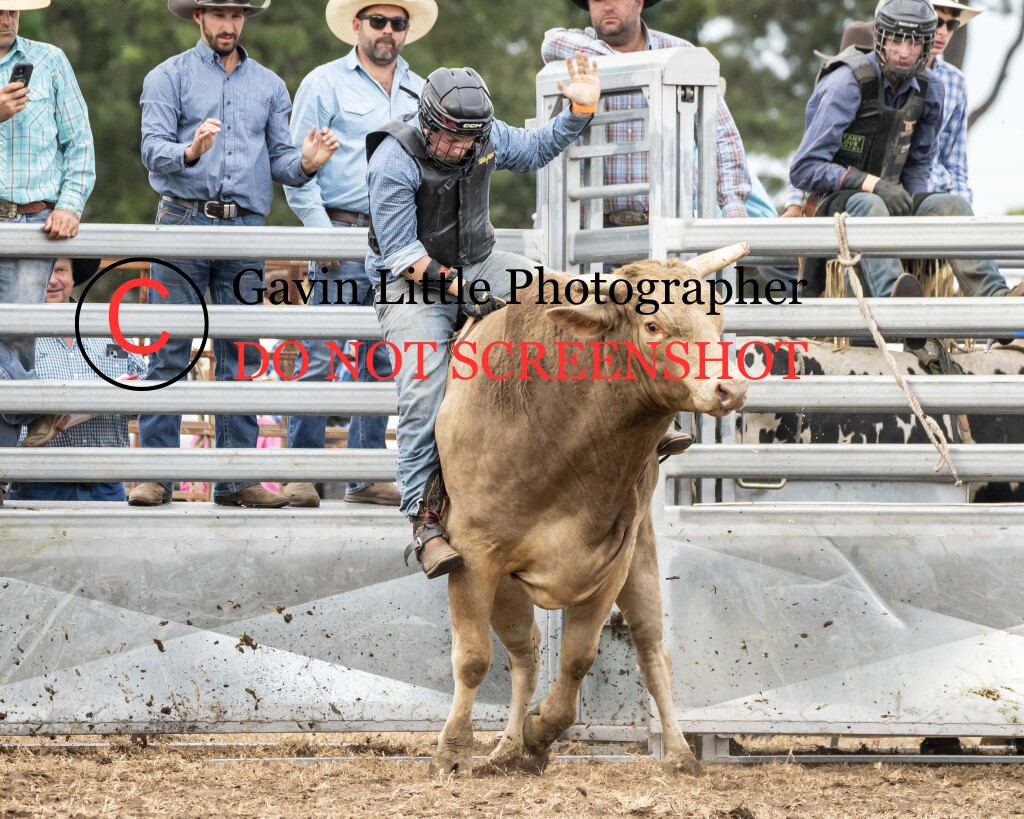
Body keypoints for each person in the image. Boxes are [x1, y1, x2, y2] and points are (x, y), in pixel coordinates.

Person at [366, 55, 601, 578]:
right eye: (448, 136)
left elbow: (536, 149)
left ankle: (624, 413)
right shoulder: (393, 160)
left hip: (477, 260)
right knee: (423, 386)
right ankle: (424, 520)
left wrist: (579, 110)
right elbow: (402, 256)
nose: (458, 147)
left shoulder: (485, 136)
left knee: (572, 298)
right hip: (409, 282)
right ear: (427, 121)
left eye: (468, 139)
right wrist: (462, 288)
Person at [131, 0, 339, 508]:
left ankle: (236, 479)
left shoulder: (270, 85)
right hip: (181, 218)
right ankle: (156, 476)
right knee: (168, 348)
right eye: (220, 14)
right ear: (198, 16)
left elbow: (281, 160)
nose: (229, 25)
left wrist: (307, 164)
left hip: (245, 226)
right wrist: (190, 151)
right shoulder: (167, 77)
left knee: (240, 353)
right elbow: (151, 149)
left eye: (237, 14)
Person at [281, 0, 438, 509]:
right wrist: (322, 234)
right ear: (357, 26)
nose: (387, 31)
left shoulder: (423, 92)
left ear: (406, 30)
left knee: (381, 358)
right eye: (377, 21)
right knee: (320, 354)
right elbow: (297, 167)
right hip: (341, 232)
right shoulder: (323, 82)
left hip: (399, 241)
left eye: (397, 23)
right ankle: (301, 473)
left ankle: (365, 475)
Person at [788, 0, 1022, 322]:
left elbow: (918, 164)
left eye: (913, 43)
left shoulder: (931, 89)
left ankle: (997, 302)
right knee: (871, 204)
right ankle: (897, 307)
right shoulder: (846, 84)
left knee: (952, 205)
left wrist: (912, 213)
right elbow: (804, 168)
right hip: (838, 204)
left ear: (927, 46)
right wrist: (872, 184)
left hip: (892, 197)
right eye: (896, 40)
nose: (903, 52)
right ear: (880, 38)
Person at [0, 0, 95, 506]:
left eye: (13, 9)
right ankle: (35, 403)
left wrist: (70, 205)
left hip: (32, 222)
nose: (7, 18)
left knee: (15, 340)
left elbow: (79, 143)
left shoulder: (51, 60)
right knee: (13, 342)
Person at [542, 0, 751, 223]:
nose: (607, 6)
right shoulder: (571, 47)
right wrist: (628, 62)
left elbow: (721, 136)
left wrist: (734, 209)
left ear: (639, 3)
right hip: (591, 227)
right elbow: (550, 43)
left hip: (667, 226)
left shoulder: (681, 54)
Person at [9, 258, 145, 502]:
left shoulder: (107, 328)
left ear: (73, 277)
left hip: (106, 482)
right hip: (38, 483)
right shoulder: (16, 336)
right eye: (45, 271)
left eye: (60, 270)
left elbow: (145, 381)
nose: (52, 280)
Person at [927, 0, 983, 203]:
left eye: (952, 25)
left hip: (939, 194)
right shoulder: (892, 74)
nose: (943, 31)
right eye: (937, 22)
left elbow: (955, 162)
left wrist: (965, 208)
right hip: (894, 194)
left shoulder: (955, 81)